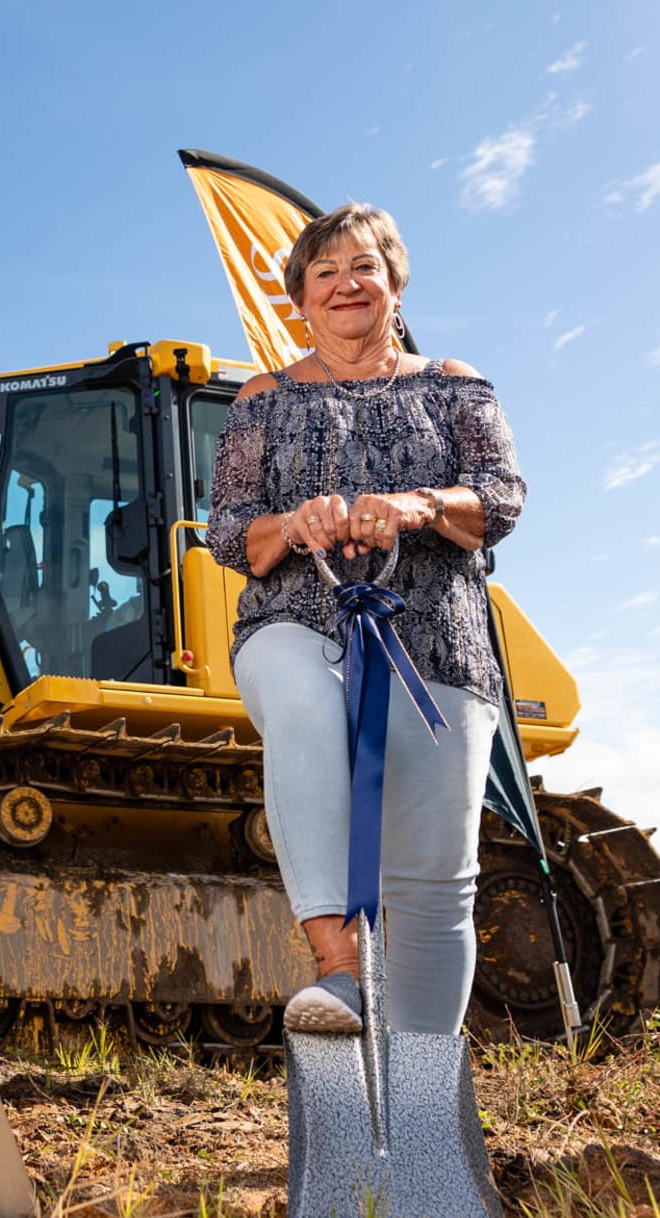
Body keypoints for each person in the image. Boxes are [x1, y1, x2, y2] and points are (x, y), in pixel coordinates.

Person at [209, 203, 525, 1037]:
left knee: (434, 878)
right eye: (325, 272)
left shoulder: (454, 382)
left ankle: (419, 1093)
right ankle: (340, 972)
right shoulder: (263, 398)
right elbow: (229, 528)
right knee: (303, 706)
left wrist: (423, 503)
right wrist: (293, 523)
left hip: (437, 637)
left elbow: (501, 498)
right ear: (301, 301)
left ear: (395, 283)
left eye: (364, 267)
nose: (347, 283)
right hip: (298, 616)